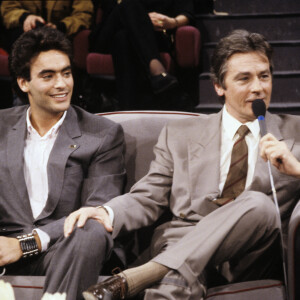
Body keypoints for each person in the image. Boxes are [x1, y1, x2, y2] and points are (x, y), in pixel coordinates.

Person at [64, 29, 300, 300]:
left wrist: (297, 169)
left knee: (260, 206)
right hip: (184, 236)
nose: (258, 87)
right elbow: (148, 196)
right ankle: (163, 272)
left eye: (264, 76)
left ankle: (140, 275)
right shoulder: (181, 134)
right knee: (175, 281)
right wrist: (107, 212)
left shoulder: (296, 132)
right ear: (218, 86)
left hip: (252, 254)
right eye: (244, 78)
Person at [0, 26, 125, 300]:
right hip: (3, 251)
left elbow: (98, 209)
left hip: (65, 249)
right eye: (48, 76)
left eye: (66, 73)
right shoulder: (1, 126)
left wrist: (26, 244)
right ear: (24, 83)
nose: (62, 84)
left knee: (92, 226)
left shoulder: (102, 134)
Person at [89, 0, 195, 110]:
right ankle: (157, 71)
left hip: (152, 38)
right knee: (129, 5)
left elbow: (187, 13)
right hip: (108, 34)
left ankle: (127, 112)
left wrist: (172, 22)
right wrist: (140, 17)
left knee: (122, 39)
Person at [1, 0, 93, 51]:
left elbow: (83, 15)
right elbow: (8, 10)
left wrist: (59, 27)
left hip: (61, 37)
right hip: (23, 36)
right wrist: (25, 17)